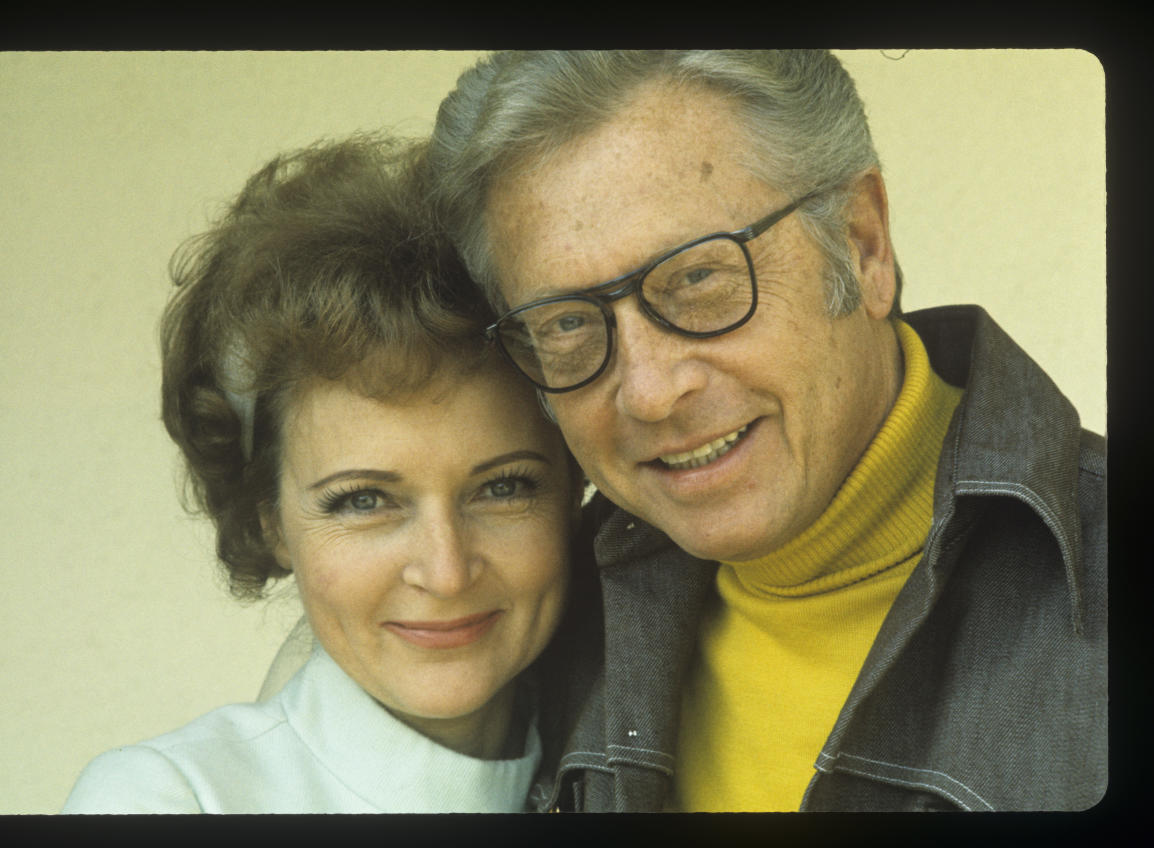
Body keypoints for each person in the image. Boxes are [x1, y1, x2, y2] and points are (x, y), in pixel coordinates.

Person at [423, 50, 1107, 812]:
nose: (649, 392)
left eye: (697, 279)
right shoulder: (542, 616)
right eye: (569, 323)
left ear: (862, 243)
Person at [61, 135, 586, 813]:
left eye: (503, 487)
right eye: (365, 500)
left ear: (576, 488)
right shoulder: (169, 799)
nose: (447, 570)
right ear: (270, 523)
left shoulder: (662, 755)